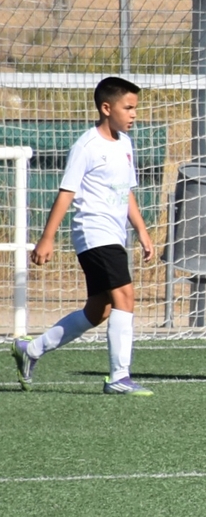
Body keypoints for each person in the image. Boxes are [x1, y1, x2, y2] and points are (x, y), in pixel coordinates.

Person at [11, 77, 155, 395]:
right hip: (93, 233)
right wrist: (47, 238)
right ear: (106, 108)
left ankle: (31, 350)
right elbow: (66, 193)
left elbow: (126, 191)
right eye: (128, 108)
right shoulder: (86, 147)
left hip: (114, 234)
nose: (133, 114)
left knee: (99, 309)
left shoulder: (125, 143)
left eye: (135, 108)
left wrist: (142, 230)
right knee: (125, 296)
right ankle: (119, 378)